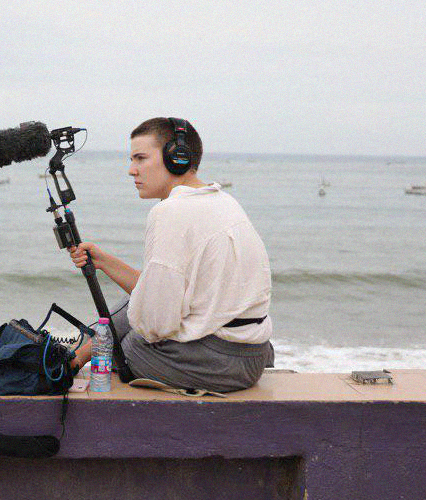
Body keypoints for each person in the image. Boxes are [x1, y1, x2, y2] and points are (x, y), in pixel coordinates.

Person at [68, 117, 274, 392]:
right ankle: (75, 357)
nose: (132, 170)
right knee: (134, 304)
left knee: (123, 343)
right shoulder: (223, 201)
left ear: (176, 158)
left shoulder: (171, 212)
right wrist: (104, 262)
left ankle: (70, 360)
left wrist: (107, 339)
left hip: (216, 363)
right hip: (254, 356)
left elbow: (154, 325)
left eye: (140, 158)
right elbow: (165, 294)